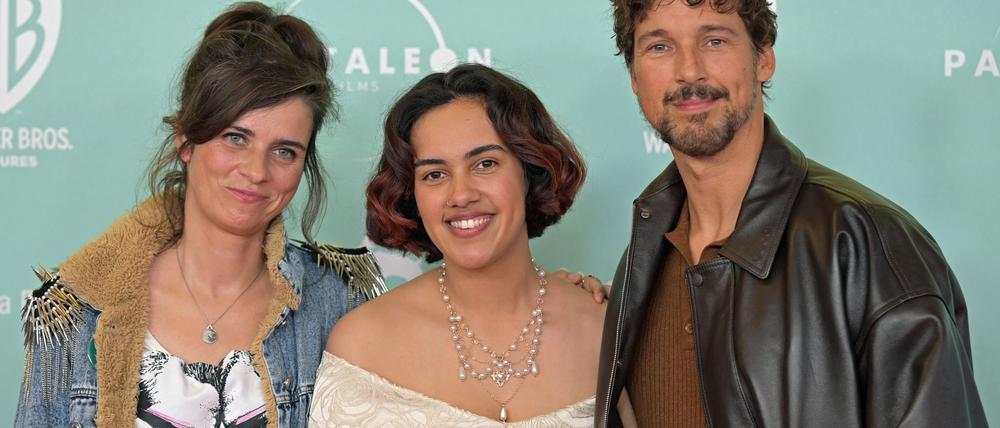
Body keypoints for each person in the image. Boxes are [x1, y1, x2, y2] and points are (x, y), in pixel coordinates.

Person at [595, 0, 987, 427]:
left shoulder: (870, 244)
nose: (689, 71)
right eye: (659, 47)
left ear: (764, 58)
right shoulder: (644, 257)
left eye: (714, 40)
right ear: (634, 76)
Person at [15, 3, 384, 427]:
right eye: (235, 138)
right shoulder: (74, 310)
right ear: (186, 142)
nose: (256, 172)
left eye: (284, 151)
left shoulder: (340, 300)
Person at [309, 64, 605, 426]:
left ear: (530, 171)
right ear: (411, 195)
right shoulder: (361, 344)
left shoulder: (608, 329)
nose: (461, 195)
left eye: (485, 164)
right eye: (435, 174)